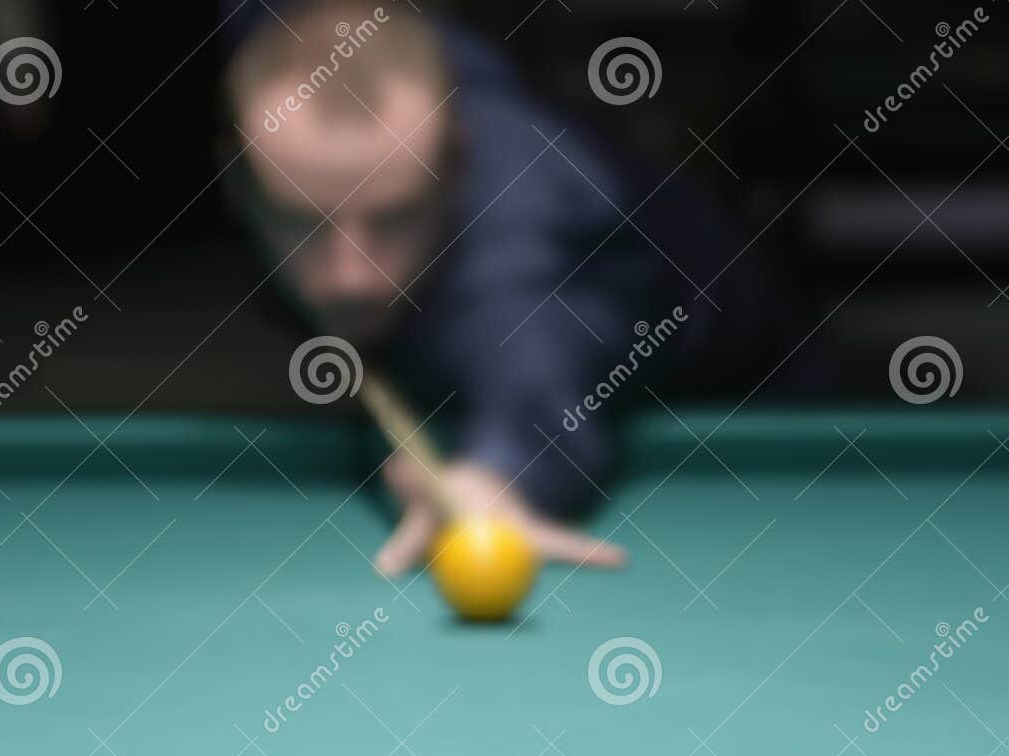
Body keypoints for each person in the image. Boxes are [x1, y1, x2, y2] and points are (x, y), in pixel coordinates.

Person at [223, 3, 819, 576]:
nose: (351, 276)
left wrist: (493, 479)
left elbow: (539, 356)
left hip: (750, 388)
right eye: (303, 222)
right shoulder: (275, 44)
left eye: (394, 218)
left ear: (455, 163)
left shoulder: (528, 225)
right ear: (239, 182)